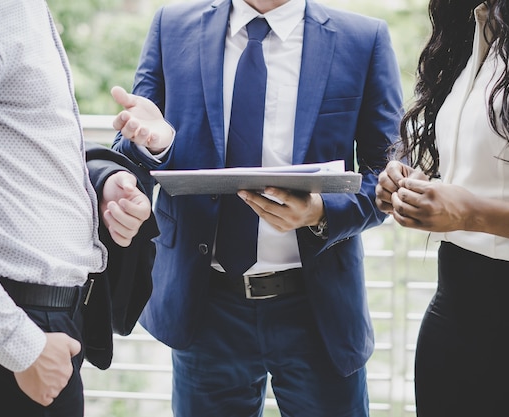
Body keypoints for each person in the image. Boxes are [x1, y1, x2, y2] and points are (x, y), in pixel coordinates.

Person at [111, 0, 403, 415]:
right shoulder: (170, 26)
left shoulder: (363, 39)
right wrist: (154, 143)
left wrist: (321, 213)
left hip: (317, 309)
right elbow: (131, 148)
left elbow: (388, 174)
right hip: (206, 305)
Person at [375, 1, 509, 416]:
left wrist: (473, 214)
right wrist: (409, 184)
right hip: (452, 316)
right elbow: (478, 174)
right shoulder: (477, 35)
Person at [0, 1, 156, 416]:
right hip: (8, 335)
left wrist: (100, 186)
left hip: (42, 325)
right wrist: (20, 345)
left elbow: (14, 149)